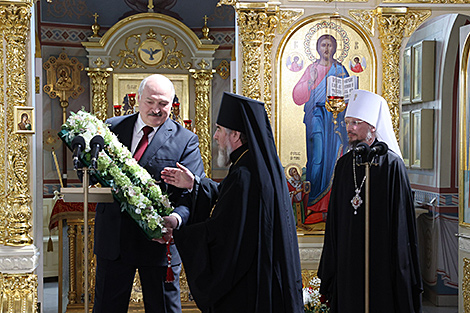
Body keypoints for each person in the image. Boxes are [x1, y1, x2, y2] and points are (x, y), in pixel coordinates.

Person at [161, 92, 304, 313]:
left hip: (247, 286)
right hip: (261, 275)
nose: (215, 136)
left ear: (235, 134)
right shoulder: (252, 165)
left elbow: (226, 232)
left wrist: (180, 234)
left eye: (219, 129)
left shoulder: (244, 173)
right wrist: (194, 184)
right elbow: (231, 201)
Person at [92, 74, 205, 313]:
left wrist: (175, 220)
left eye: (163, 104)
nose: (156, 109)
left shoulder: (186, 141)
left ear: (173, 104)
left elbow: (192, 193)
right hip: (114, 240)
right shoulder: (110, 128)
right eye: (150, 102)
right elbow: (93, 174)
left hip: (159, 242)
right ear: (138, 99)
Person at [318, 89, 423, 313]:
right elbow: (335, 220)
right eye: (347, 122)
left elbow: (402, 224)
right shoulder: (345, 165)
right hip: (347, 261)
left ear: (372, 126)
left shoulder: (392, 166)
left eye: (356, 123)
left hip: (382, 260)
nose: (349, 128)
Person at [292, 34, 350, 223]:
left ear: (335, 48)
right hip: (316, 117)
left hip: (335, 120)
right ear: (317, 48)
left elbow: (349, 95)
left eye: (330, 45)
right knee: (317, 160)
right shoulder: (312, 69)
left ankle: (332, 206)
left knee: (335, 158)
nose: (326, 49)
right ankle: (314, 206)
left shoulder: (340, 69)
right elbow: (297, 96)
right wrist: (310, 82)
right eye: (323, 45)